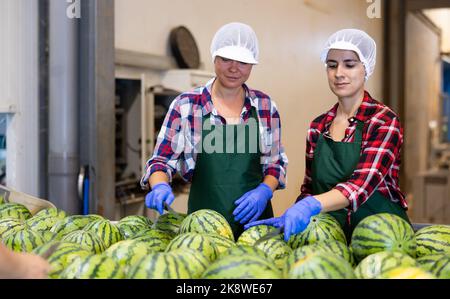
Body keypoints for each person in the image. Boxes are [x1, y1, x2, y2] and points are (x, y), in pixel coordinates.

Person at [246, 29, 410, 242]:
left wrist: (311, 205)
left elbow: (360, 185)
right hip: (332, 239)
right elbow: (310, 188)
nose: (339, 73)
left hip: (384, 238)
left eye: (349, 64)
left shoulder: (384, 121)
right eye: (332, 65)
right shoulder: (318, 127)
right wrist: (297, 209)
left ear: (366, 68)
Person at [141, 22, 288, 239]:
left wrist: (264, 191)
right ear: (214, 58)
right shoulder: (186, 105)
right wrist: (160, 185)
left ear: (252, 65)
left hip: (255, 228)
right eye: (226, 59)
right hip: (203, 230)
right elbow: (161, 161)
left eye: (243, 62)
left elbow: (275, 164)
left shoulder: (265, 106)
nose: (234, 68)